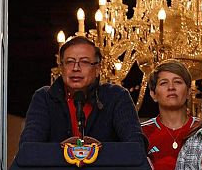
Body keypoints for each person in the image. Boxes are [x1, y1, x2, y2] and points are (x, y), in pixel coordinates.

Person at [18, 36, 146, 147]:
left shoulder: (116, 96)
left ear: (97, 69)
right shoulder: (44, 98)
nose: (76, 68)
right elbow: (29, 147)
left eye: (84, 62)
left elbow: (135, 145)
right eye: (69, 62)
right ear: (61, 68)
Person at [127, 61, 198, 170]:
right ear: (153, 94)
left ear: (188, 92)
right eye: (164, 83)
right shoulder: (140, 134)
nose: (171, 87)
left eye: (178, 82)